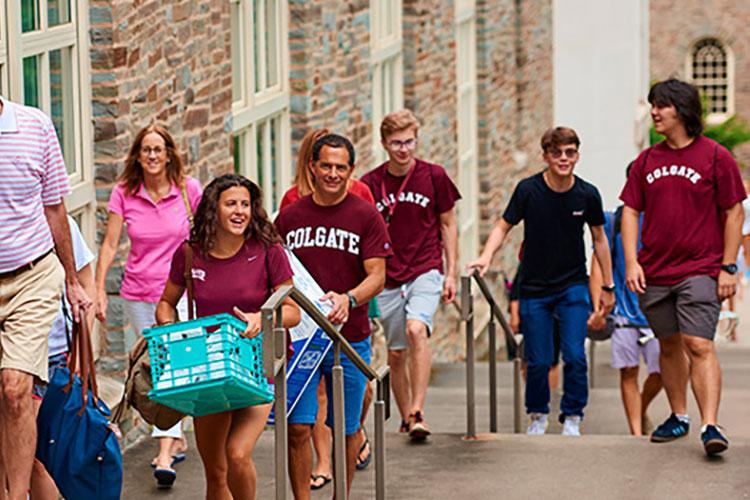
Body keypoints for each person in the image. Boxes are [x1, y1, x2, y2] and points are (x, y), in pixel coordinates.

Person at [621, 79, 745, 455]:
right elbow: (630, 210)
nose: (654, 112)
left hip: (701, 268)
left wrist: (727, 266)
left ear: (682, 110)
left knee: (698, 343)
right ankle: (679, 416)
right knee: (669, 345)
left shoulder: (715, 157)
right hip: (656, 271)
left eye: (661, 106)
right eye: (653, 105)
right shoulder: (646, 161)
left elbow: (734, 212)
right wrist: (631, 261)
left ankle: (710, 424)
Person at [155, 174, 300, 498]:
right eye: (231, 204)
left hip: (256, 365)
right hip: (208, 368)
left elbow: (293, 311)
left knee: (236, 454)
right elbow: (166, 303)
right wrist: (168, 327)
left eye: (245, 205)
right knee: (216, 474)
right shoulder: (191, 253)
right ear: (213, 209)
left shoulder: (268, 251)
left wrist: (261, 319)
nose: (240, 211)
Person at [469, 126, 615, 436]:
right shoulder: (528, 190)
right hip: (534, 288)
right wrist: (485, 256)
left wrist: (608, 287)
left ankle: (573, 416)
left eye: (570, 152)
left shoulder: (586, 194)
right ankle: (537, 414)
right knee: (538, 359)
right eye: (557, 153)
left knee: (575, 355)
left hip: (573, 285)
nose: (564, 158)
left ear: (577, 155)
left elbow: (600, 240)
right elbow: (502, 226)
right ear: (546, 156)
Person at [275, 133, 391, 499]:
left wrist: (350, 298)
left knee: (347, 426)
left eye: (341, 167)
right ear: (312, 166)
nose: (333, 173)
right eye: (325, 165)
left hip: (349, 337)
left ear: (351, 170)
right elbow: (275, 272)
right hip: (301, 340)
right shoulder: (290, 217)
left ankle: (343, 495)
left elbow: (378, 274)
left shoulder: (365, 215)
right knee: (297, 426)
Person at [95, 124, 202, 486]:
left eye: (159, 149)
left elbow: (206, 237)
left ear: (169, 153)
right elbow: (110, 244)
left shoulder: (189, 191)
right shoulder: (125, 192)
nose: (153, 156)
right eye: (146, 150)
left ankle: (164, 452)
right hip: (139, 293)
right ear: (137, 156)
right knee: (153, 369)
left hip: (180, 294)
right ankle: (174, 433)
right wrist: (97, 288)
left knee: (179, 368)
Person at [0, 95, 91, 500]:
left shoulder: (34, 126)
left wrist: (72, 280)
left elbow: (55, 209)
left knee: (15, 389)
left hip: (32, 276)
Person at [360, 109, 460, 440]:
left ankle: (418, 409)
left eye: (409, 142)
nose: (404, 149)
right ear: (384, 144)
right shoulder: (370, 184)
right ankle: (407, 418)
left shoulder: (434, 176)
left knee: (417, 329)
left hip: (425, 267)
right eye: (396, 143)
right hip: (388, 275)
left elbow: (448, 223)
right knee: (396, 351)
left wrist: (452, 273)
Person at [588, 168, 662, 437]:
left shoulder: (662, 218)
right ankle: (636, 434)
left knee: (664, 371)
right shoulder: (614, 220)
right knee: (628, 372)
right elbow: (598, 262)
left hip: (656, 310)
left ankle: (640, 409)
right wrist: (598, 306)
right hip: (622, 311)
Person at [28, 216, 97, 499]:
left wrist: (80, 355)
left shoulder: (61, 225)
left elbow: (86, 285)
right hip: (8, 351)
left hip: (54, 355)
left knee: (40, 455)